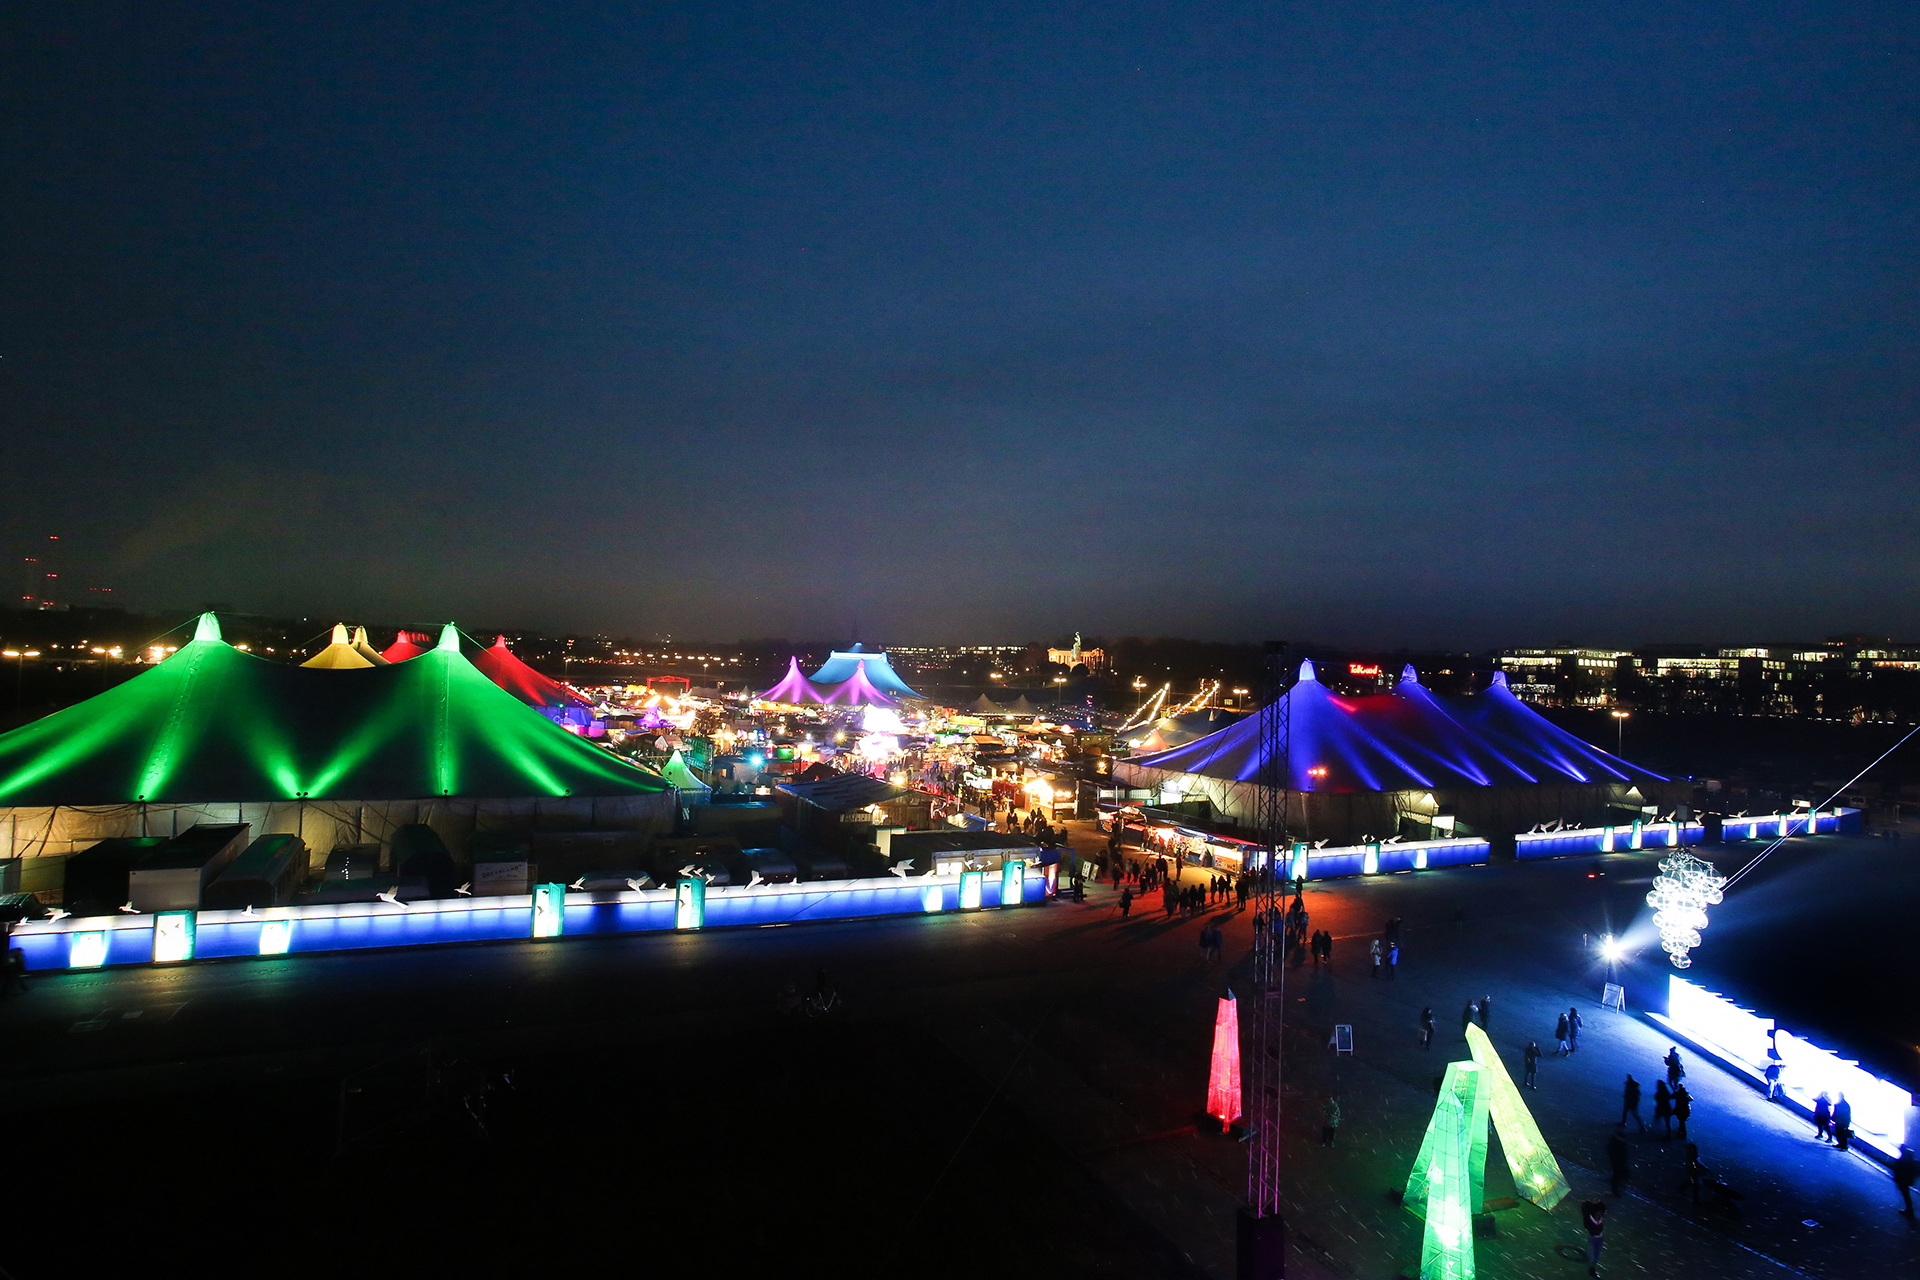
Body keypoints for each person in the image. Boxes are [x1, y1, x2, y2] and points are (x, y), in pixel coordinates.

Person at [1581, 1197, 1606, 1277]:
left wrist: (1597, 1202)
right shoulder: (1589, 1219)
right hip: (1593, 1238)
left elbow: (1603, 1207)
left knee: (1596, 1254)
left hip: (1599, 1237)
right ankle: (1592, 1269)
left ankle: (1592, 1268)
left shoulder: (1598, 1216)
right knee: (1593, 1254)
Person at [1607, 1128, 1631, 1197]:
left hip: (1619, 1162)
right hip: (1618, 1162)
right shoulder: (1619, 1144)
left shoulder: (1617, 1143)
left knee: (1618, 1175)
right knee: (1617, 1176)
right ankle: (1616, 1190)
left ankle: (1617, 1189)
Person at [1893, 1145, 1916, 1215]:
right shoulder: (1909, 1157)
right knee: (1906, 1194)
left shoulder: (1903, 1159)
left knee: (1906, 1194)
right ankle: (1909, 1209)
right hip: (1907, 1179)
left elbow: (1899, 1169)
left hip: (1903, 1179)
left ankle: (1909, 1209)